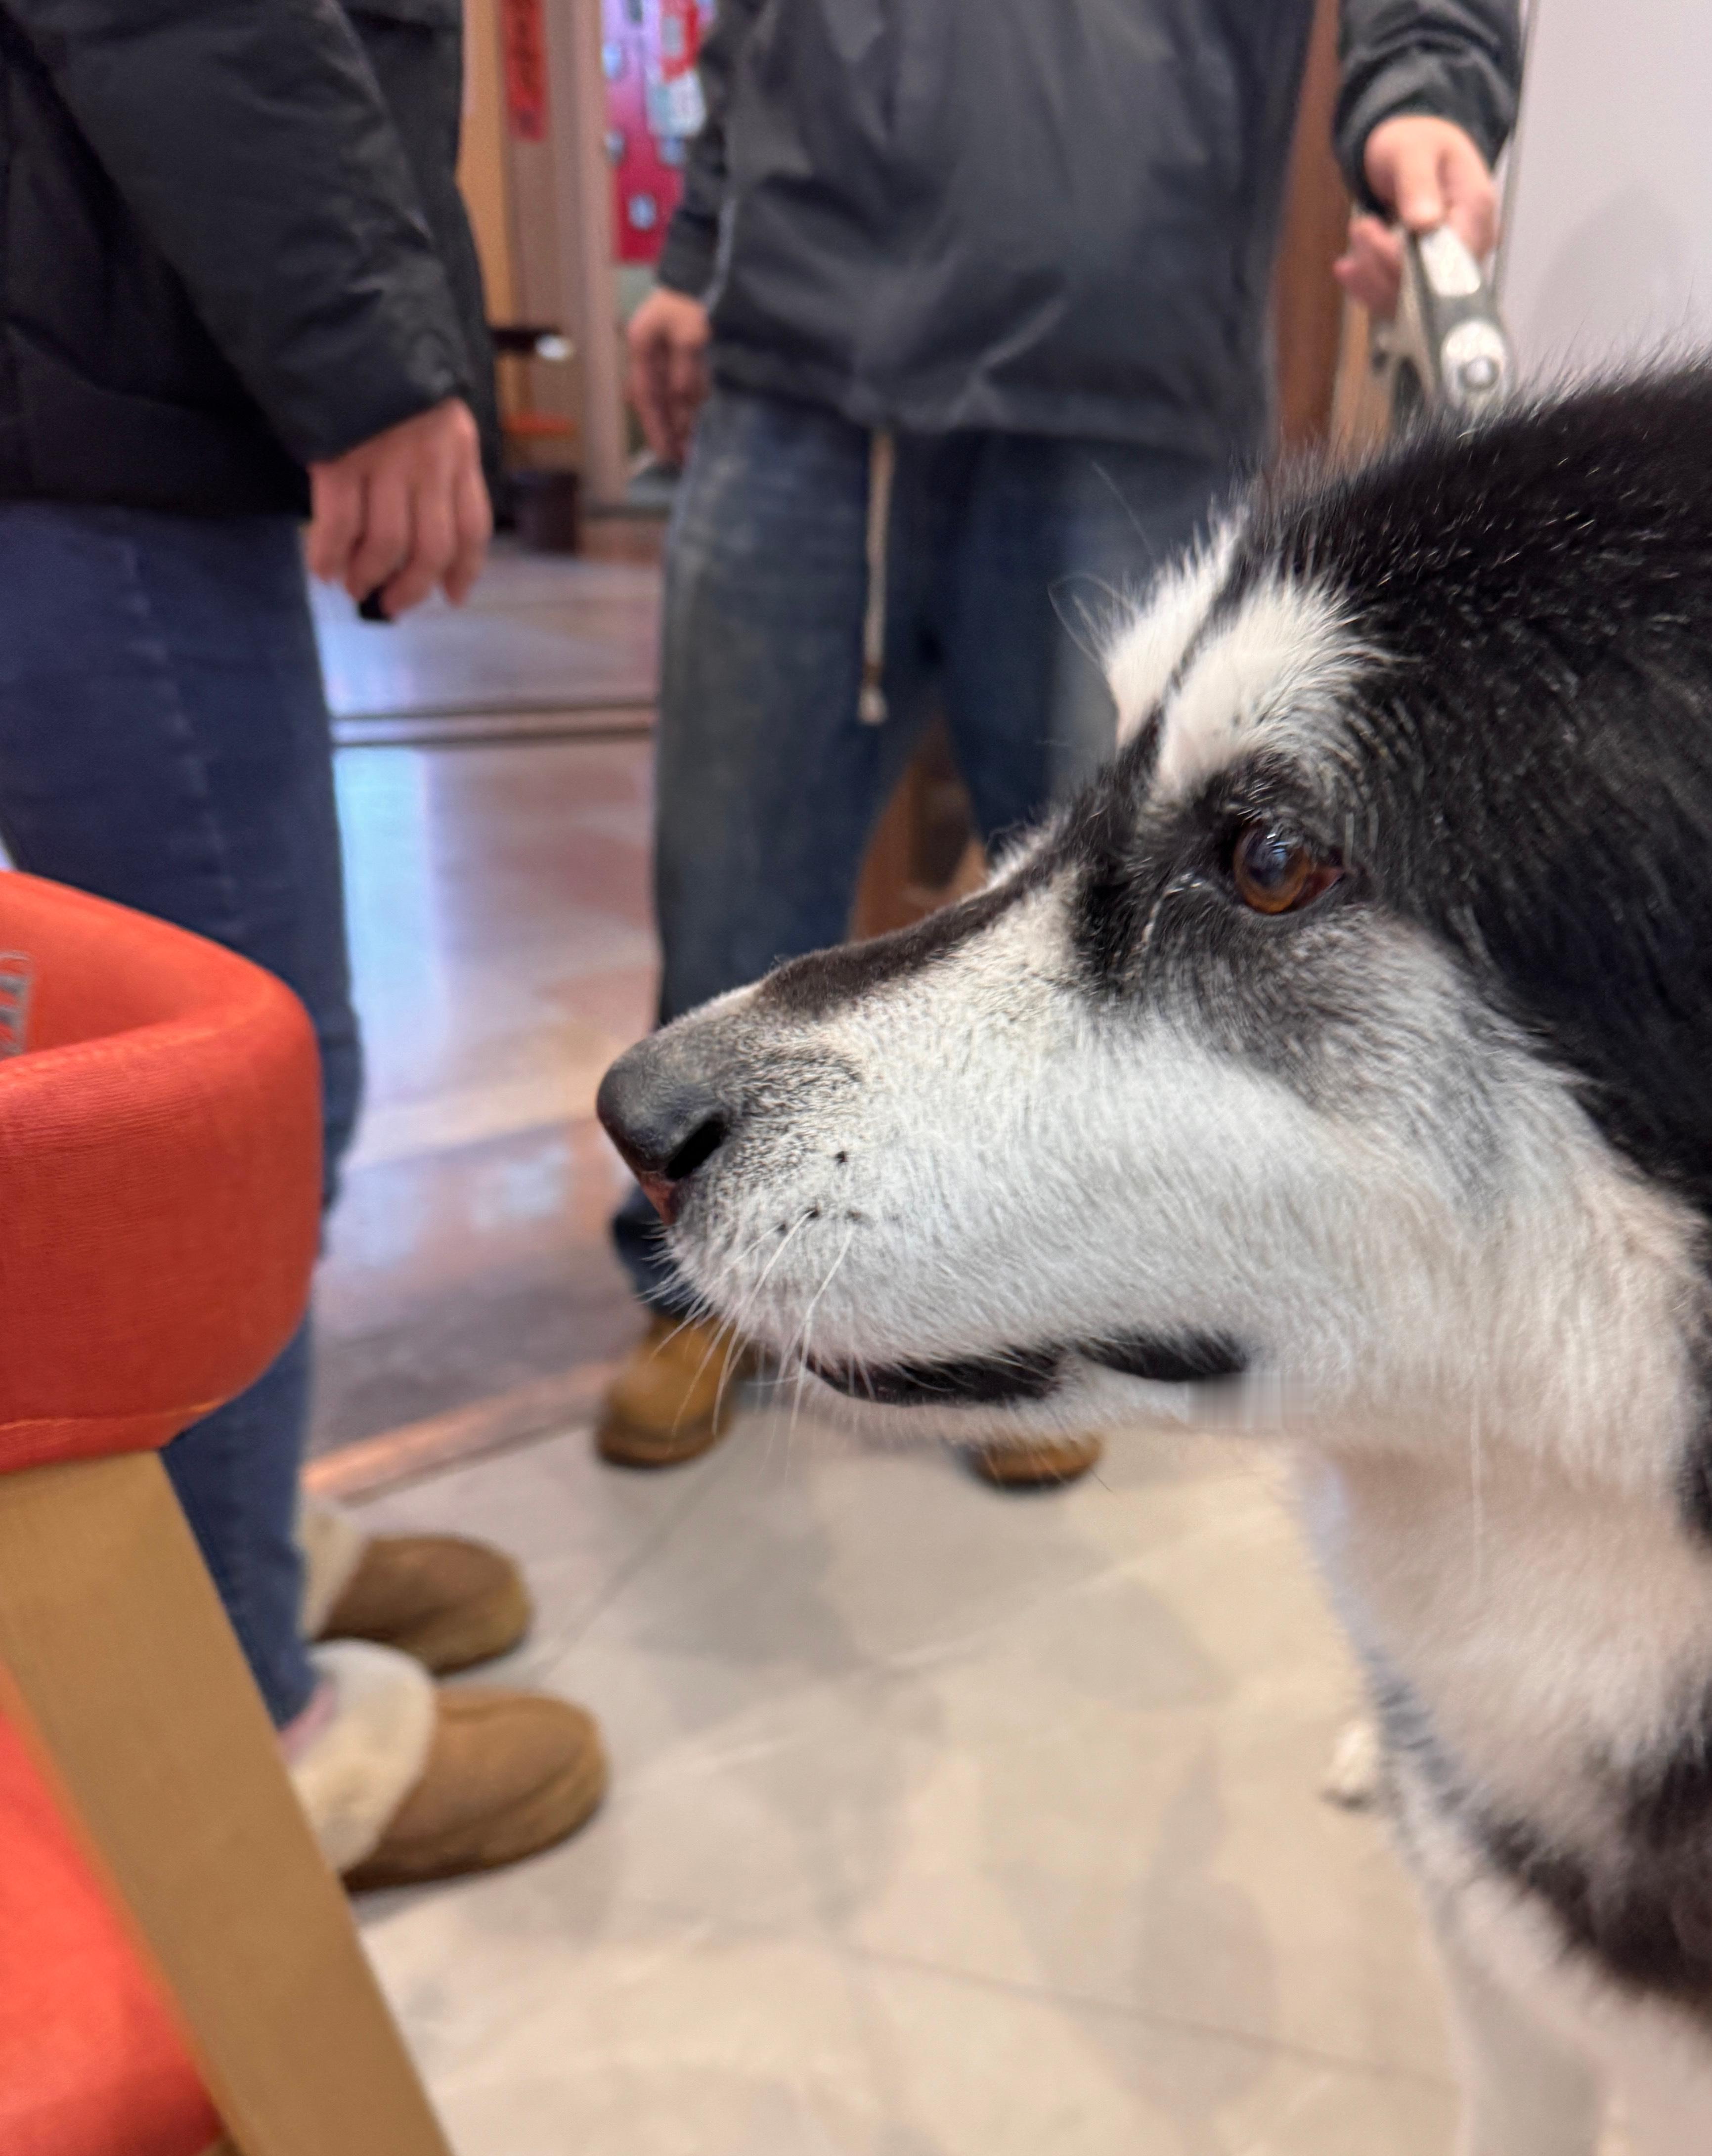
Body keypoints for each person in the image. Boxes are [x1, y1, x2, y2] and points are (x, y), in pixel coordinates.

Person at [598, 0, 1523, 1486]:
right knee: (728, 875)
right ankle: (683, 1283)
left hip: (1120, 369)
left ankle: (1037, 1314)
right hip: (800, 373)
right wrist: (698, 245)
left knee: (1117, 940)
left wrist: (1422, 100)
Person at [0, 0, 605, 1886]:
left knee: (111, 1076)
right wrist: (364, 347)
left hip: (75, 375)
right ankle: (232, 1729)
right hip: (71, 414)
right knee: (218, 1098)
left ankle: (209, 1563)